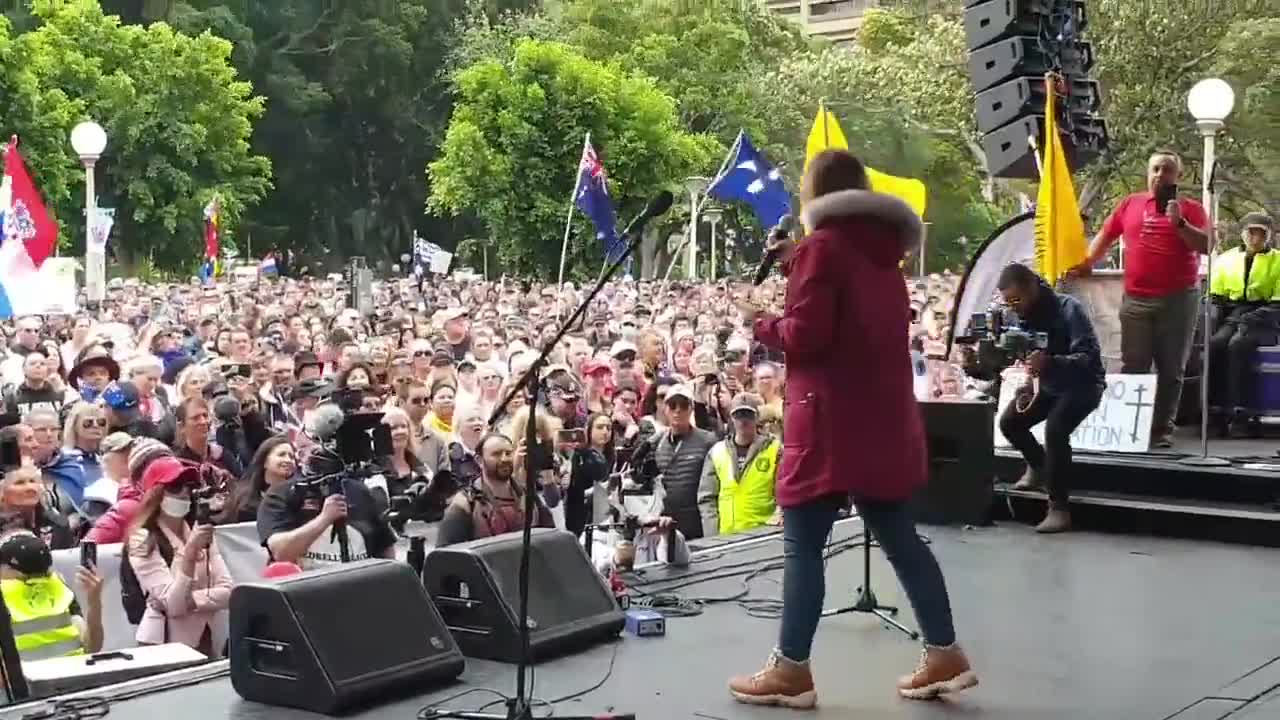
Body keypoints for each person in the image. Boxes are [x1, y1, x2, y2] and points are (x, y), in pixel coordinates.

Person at [729, 150, 976, 708]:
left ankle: (791, 670)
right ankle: (944, 650)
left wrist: (759, 321)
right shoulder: (881, 256)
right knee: (900, 539)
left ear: (814, 193)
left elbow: (810, 334)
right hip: (880, 419)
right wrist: (798, 263)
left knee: (802, 544)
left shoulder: (823, 249)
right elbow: (844, 307)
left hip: (828, 421)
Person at [1070, 151, 1210, 448]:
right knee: (1134, 364)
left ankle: (1160, 431)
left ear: (1178, 177)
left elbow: (1208, 245)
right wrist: (1087, 262)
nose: (1161, 174)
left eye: (1168, 170)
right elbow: (1106, 235)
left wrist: (1180, 224)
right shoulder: (1130, 204)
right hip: (1136, 299)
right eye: (1156, 169)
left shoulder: (1190, 209)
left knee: (1172, 368)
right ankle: (1131, 429)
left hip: (1179, 299)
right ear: (1148, 173)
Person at [985, 263, 1105, 533]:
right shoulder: (1019, 317)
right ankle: (1041, 468)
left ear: (1032, 287)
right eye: (1007, 302)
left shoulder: (1068, 309)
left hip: (1083, 385)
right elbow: (1015, 358)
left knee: (1056, 429)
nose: (1012, 307)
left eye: (1016, 299)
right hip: (1048, 385)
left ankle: (1059, 508)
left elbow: (1089, 358)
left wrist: (1051, 362)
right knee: (1010, 424)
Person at [127, 456, 232, 655]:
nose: (184, 492)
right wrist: (190, 553)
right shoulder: (142, 539)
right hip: (164, 645)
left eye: (188, 485)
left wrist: (192, 601)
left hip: (208, 638)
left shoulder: (199, 530)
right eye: (175, 486)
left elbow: (228, 591)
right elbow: (174, 604)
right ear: (156, 493)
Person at [1206, 212, 1278, 433]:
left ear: (1269, 235)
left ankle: (1242, 409)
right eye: (1250, 232)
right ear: (1243, 234)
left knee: (1239, 344)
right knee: (1217, 344)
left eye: (1260, 233)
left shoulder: (1277, 260)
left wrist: (1252, 317)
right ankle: (1216, 409)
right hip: (1234, 313)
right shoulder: (1227, 259)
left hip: (1266, 316)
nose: (1254, 238)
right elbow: (1216, 295)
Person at [0, 529, 105, 661]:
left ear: (13, 570)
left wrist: (94, 600)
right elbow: (94, 647)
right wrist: (94, 601)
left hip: (25, 680)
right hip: (74, 674)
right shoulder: (60, 588)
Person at [436, 433, 554, 546]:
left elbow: (552, 540)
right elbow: (446, 556)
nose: (504, 459)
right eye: (496, 454)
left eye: (508, 453)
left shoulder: (529, 497)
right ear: (479, 460)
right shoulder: (465, 504)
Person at [697, 393, 779, 537]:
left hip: (764, 534)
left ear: (757, 417)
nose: (743, 421)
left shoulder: (774, 449)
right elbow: (707, 499)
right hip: (726, 537)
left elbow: (783, 494)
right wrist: (712, 536)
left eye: (748, 415)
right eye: (738, 415)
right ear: (731, 418)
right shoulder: (717, 452)